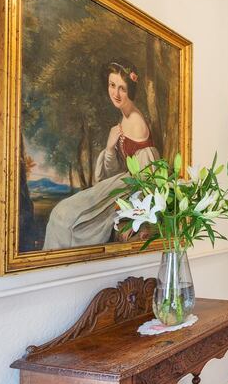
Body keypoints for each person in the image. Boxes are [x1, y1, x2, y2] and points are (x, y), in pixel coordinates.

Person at [43, 60, 159, 250]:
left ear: (130, 89)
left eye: (122, 88)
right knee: (63, 213)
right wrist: (110, 147)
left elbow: (147, 176)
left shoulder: (136, 121)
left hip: (127, 189)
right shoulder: (125, 115)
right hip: (120, 184)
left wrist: (131, 208)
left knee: (65, 216)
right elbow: (115, 168)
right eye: (112, 85)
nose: (116, 93)